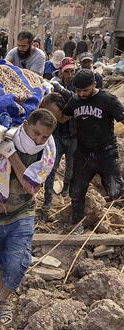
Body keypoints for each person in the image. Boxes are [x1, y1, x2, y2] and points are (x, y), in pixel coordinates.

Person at [0, 109, 58, 325]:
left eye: (44, 136)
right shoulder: (2, 138)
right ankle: (2, 293)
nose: (38, 140)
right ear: (26, 124)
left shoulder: (47, 152)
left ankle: (3, 299)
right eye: (36, 133)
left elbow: (30, 186)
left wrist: (12, 155)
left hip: (21, 213)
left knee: (18, 263)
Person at [59, 70, 124, 234]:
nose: (81, 94)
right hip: (83, 154)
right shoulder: (75, 100)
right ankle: (77, 224)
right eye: (78, 90)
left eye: (85, 90)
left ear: (94, 84)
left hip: (106, 152)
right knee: (77, 191)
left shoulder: (108, 100)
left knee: (115, 190)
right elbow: (62, 118)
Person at [41, 92, 76, 211]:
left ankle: (66, 189)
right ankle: (48, 200)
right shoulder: (48, 103)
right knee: (51, 168)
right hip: (57, 138)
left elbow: (74, 97)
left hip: (73, 138)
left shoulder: (72, 105)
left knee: (70, 168)